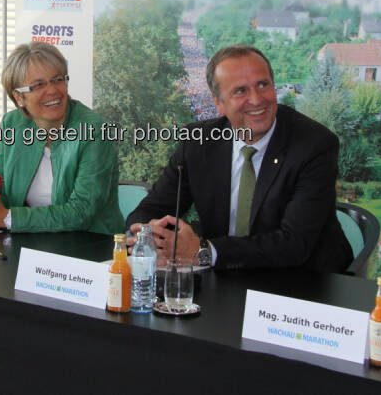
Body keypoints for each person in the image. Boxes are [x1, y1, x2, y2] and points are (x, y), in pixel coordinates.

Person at [126, 44, 352, 272]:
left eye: (263, 85)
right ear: (218, 103)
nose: (256, 100)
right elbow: (147, 212)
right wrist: (148, 233)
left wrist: (204, 251)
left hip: (304, 283)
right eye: (240, 91)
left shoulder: (314, 145)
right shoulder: (198, 142)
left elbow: (294, 244)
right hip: (225, 279)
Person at [0, 42, 123, 234]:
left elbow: (82, 211)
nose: (52, 90)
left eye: (57, 80)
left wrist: (9, 218)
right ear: (19, 98)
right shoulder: (12, 123)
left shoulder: (93, 129)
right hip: (29, 239)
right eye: (38, 85)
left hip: (90, 244)